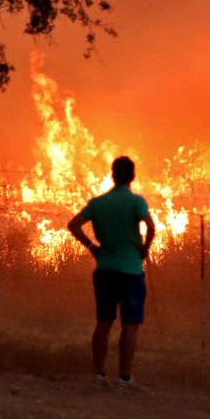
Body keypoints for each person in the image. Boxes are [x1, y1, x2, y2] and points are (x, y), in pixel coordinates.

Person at [67, 155, 156, 389]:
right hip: (131, 271)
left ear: (113, 175)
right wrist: (144, 248)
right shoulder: (137, 202)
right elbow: (151, 226)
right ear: (132, 176)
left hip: (104, 269)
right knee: (130, 325)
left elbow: (73, 225)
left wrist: (92, 247)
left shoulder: (98, 203)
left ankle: (99, 376)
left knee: (104, 322)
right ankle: (125, 379)